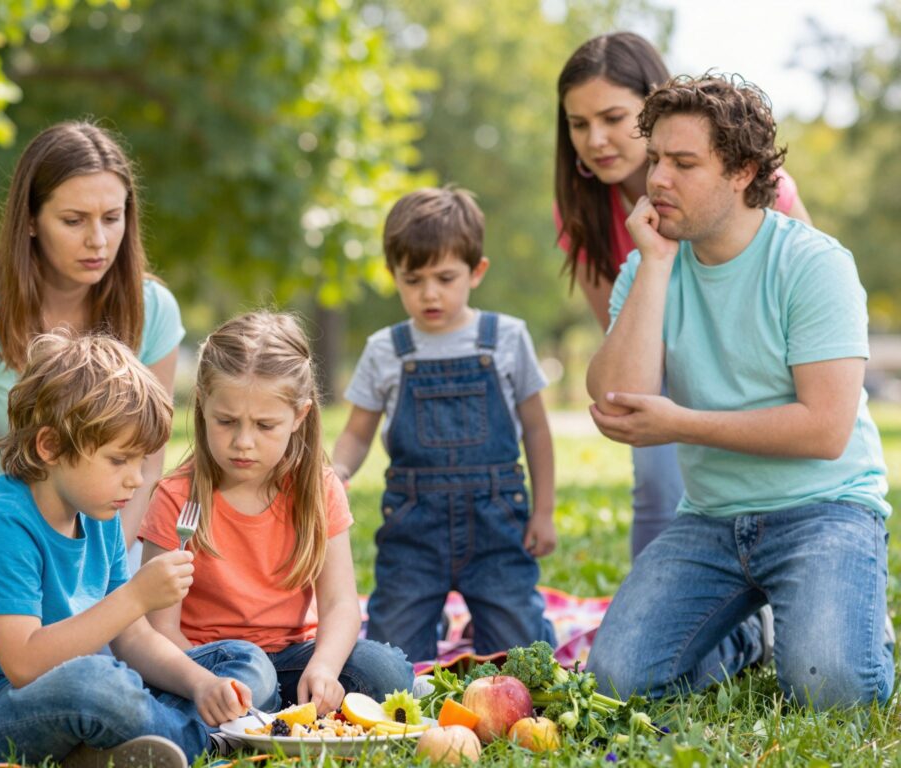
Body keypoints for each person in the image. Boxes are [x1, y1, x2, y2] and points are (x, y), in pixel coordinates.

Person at [584, 74, 893, 709]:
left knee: (832, 691)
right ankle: (749, 636)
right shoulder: (649, 263)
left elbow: (825, 430)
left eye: (683, 163)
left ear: (741, 171)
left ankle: (843, 619)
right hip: (711, 518)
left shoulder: (814, 264)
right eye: (656, 159)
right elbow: (616, 399)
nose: (657, 180)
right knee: (615, 684)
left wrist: (682, 423)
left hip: (826, 511)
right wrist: (656, 265)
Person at [0, 332, 255, 767]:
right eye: (118, 460)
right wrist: (136, 597)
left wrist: (202, 684)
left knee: (241, 661)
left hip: (66, 692)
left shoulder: (98, 512)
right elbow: (24, 664)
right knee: (95, 685)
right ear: (50, 446)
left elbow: (133, 638)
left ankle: (118, 743)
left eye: (141, 461)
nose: (136, 479)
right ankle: (211, 743)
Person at [554, 32, 812, 558]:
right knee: (656, 482)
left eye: (612, 118)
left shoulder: (754, 182)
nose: (595, 140)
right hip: (665, 351)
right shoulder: (582, 212)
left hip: (757, 350)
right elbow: (619, 340)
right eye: (578, 125)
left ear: (653, 109)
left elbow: (812, 281)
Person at [0, 120, 184, 583]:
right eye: (73, 221)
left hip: (102, 543)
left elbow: (146, 467)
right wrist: (34, 570)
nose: (98, 240)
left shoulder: (154, 308)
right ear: (29, 220)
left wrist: (103, 571)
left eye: (112, 218)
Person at [139, 311, 414, 714]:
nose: (243, 442)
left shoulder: (319, 489)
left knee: (386, 670)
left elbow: (340, 603)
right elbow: (160, 630)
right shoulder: (176, 497)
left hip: (294, 657)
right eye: (226, 421)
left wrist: (324, 667)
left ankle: (269, 710)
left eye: (265, 426)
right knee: (254, 675)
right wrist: (208, 684)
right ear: (202, 404)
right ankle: (241, 712)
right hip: (211, 663)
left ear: (299, 416)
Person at [331, 187, 557, 664]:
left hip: (497, 524)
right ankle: (425, 616)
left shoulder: (507, 338)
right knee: (392, 659)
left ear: (477, 271)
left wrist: (544, 512)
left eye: (445, 278)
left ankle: (500, 616)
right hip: (414, 530)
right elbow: (356, 431)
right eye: (413, 279)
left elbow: (537, 430)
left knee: (521, 655)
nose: (429, 293)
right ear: (393, 275)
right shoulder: (386, 349)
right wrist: (338, 470)